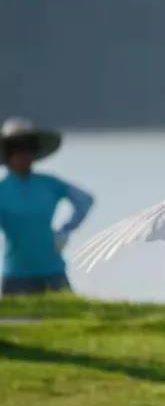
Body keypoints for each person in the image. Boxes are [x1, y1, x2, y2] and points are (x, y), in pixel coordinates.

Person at [0, 118, 94, 295]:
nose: (23, 155)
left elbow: (85, 200)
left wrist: (65, 230)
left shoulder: (49, 184)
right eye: (16, 150)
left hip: (53, 270)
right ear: (7, 154)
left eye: (28, 148)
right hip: (16, 273)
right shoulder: (2, 190)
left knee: (68, 319)